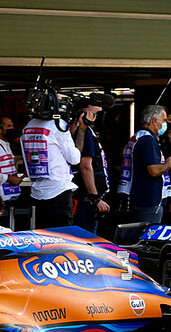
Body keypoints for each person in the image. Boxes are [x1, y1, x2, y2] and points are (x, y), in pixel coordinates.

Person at [21, 104, 81, 228]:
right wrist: (78, 132)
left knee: (43, 235)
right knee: (63, 235)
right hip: (58, 189)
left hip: (38, 190)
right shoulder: (59, 126)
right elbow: (74, 159)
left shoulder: (28, 126)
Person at [118, 104, 171, 223]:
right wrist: (168, 164)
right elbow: (153, 170)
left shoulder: (138, 136)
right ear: (155, 121)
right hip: (149, 200)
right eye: (164, 120)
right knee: (149, 232)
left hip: (139, 196)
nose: (165, 124)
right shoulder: (148, 140)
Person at [72, 94, 114, 233]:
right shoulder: (84, 132)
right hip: (86, 199)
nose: (98, 115)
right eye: (95, 112)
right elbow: (85, 166)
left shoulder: (87, 131)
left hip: (88, 196)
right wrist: (94, 197)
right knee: (86, 238)